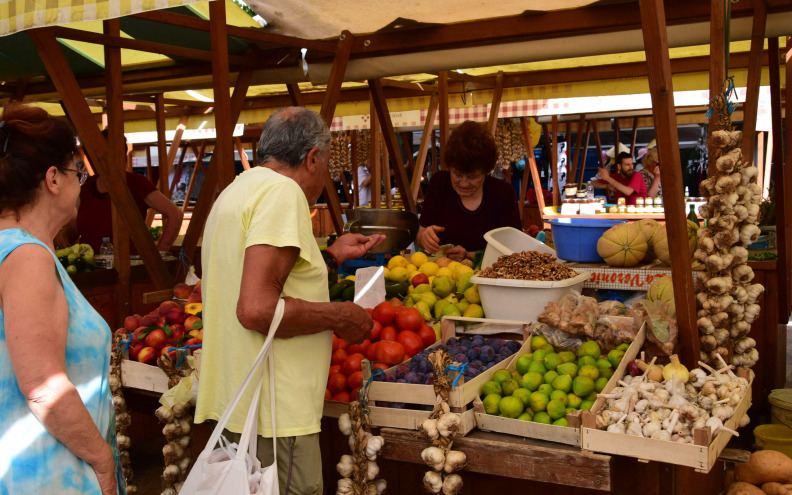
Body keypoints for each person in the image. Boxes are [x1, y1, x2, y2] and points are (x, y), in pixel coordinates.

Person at [195, 107, 385, 495]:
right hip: (275, 409)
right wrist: (340, 315)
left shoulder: (237, 190)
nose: (326, 173)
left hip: (241, 399)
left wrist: (330, 256)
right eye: (327, 163)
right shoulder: (283, 193)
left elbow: (259, 277)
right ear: (312, 157)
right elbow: (256, 309)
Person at [0, 103, 123, 494]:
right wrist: (103, 462)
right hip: (45, 477)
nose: (80, 184)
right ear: (53, 179)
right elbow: (43, 386)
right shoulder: (27, 257)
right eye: (77, 172)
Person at [59, 134, 183, 254]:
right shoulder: (86, 186)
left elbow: (175, 214)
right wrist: (64, 234)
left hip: (132, 269)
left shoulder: (136, 183)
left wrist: (160, 253)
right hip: (92, 270)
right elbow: (75, 228)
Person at [416, 120, 522, 260]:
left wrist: (469, 255)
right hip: (440, 273)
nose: (464, 184)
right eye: (457, 175)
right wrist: (423, 236)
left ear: (486, 171)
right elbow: (421, 231)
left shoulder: (503, 194)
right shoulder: (439, 184)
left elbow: (514, 250)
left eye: (472, 177)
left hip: (490, 275)